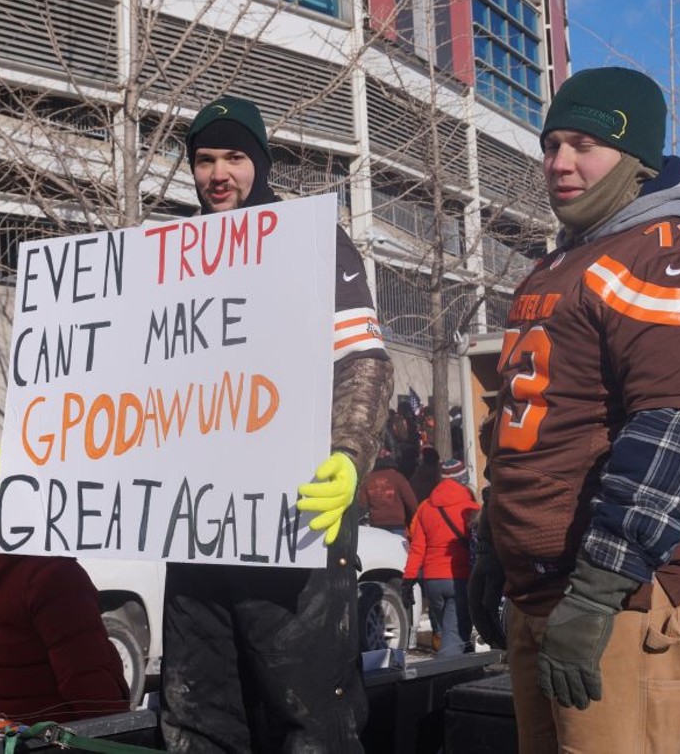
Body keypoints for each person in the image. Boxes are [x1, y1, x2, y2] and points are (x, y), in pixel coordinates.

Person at [469, 67, 680, 754]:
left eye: (584, 144)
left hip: (631, 590)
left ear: (636, 158)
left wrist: (598, 593)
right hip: (548, 587)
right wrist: (493, 547)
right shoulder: (562, 264)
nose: (559, 162)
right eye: (551, 144)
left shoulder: (671, 258)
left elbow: (675, 436)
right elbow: (526, 430)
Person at [159, 95, 395, 753]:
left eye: (234, 157)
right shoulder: (172, 253)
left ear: (257, 164)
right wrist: (54, 456)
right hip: (199, 523)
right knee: (196, 710)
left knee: (306, 715)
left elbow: (363, 361)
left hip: (298, 520)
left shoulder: (311, 238)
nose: (218, 174)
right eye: (205, 160)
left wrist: (348, 455)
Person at [0, 507, 131, 735]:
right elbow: (86, 677)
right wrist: (118, 733)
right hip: (54, 739)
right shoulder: (54, 576)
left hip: (0, 738)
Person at [403, 458, 478, 657]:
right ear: (463, 481)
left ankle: (465, 663)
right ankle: (448, 679)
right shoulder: (471, 509)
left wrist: (408, 578)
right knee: (453, 636)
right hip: (458, 578)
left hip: (432, 580)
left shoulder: (426, 508)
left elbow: (417, 548)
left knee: (446, 631)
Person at [357, 449, 418, 537]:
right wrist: (414, 522)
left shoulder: (368, 479)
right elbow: (412, 503)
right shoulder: (398, 477)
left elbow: (362, 504)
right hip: (397, 525)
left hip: (376, 526)